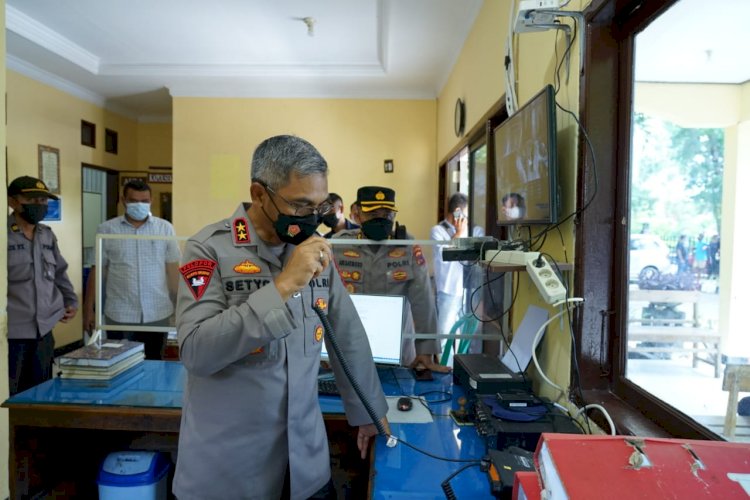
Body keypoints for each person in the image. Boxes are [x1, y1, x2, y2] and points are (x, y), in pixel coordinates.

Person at [173, 135, 388, 499]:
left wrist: (369, 409)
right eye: (301, 205)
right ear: (259, 194)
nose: (313, 219)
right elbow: (196, 351)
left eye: (319, 206)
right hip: (229, 473)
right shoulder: (207, 248)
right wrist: (283, 285)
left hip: (305, 464)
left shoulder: (316, 251)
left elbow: (346, 334)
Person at [332, 186, 449, 373]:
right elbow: (326, 298)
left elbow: (423, 301)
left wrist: (426, 350)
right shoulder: (339, 245)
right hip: (349, 348)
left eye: (386, 214)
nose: (381, 219)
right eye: (373, 214)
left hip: (397, 350)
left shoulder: (407, 246)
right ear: (358, 214)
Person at [83, 180, 180, 360]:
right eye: (134, 201)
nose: (140, 205)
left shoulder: (164, 228)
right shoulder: (107, 230)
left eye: (144, 201)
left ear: (151, 201)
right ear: (123, 200)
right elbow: (97, 274)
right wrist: (88, 310)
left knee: (154, 364)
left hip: (157, 312)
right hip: (120, 314)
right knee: (120, 364)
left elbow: (173, 272)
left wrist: (181, 308)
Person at [7, 176, 78, 395]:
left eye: (43, 201)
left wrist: (71, 301)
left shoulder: (46, 235)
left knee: (42, 389)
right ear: (13, 202)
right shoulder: (4, 236)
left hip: (44, 328)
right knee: (12, 391)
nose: (40, 206)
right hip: (13, 332)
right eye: (33, 200)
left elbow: (59, 272)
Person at [430, 193, 485, 353]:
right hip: (449, 291)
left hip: (471, 290)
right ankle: (446, 370)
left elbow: (480, 252)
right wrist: (459, 234)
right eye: (465, 213)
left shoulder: (475, 229)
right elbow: (445, 254)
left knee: (470, 333)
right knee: (444, 334)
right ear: (457, 211)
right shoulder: (438, 231)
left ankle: (464, 366)